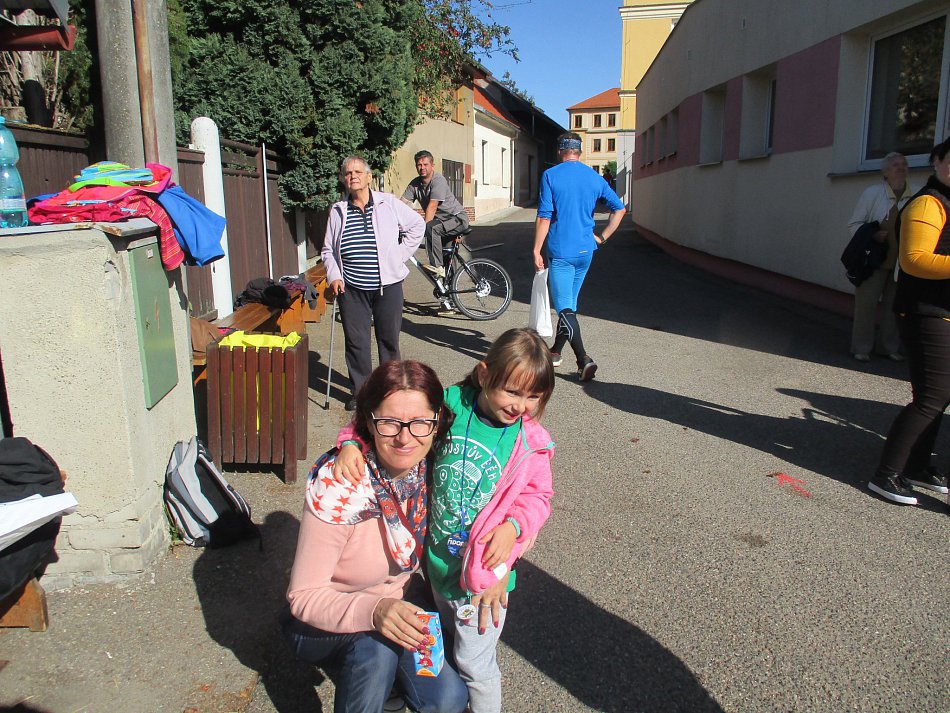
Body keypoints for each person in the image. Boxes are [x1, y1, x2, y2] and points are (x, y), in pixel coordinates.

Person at [334, 328, 556, 713]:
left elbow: (538, 496)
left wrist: (514, 528)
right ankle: (423, 693)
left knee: (475, 663)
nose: (521, 406)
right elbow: (393, 414)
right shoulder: (452, 403)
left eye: (533, 397)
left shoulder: (530, 442)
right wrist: (351, 442)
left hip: (483, 577)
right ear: (484, 374)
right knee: (448, 644)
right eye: (512, 392)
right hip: (437, 563)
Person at [283, 360, 469, 713]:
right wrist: (375, 611)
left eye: (420, 422)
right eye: (389, 423)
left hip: (398, 598)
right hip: (321, 620)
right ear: (369, 423)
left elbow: (497, 409)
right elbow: (303, 597)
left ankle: (392, 677)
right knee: (376, 652)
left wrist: (505, 555)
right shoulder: (339, 488)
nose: (404, 438)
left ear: (436, 422)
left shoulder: (430, 470)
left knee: (449, 699)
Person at [868, 137, 950, 505]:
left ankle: (917, 466)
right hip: (924, 312)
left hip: (942, 310)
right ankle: (886, 475)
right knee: (932, 397)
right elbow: (915, 259)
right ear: (936, 161)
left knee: (939, 396)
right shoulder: (928, 203)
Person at [322, 155, 425, 411]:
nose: (353, 176)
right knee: (356, 342)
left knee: (388, 340)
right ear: (343, 179)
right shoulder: (338, 210)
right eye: (348, 173)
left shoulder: (387, 203)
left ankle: (390, 391)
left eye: (358, 172)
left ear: (368, 177)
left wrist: (398, 256)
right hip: (351, 287)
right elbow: (328, 250)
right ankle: (362, 392)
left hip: (387, 286)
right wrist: (334, 275)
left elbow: (417, 225)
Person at [533, 131, 626, 381]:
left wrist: (536, 249)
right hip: (586, 251)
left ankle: (584, 359)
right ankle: (555, 352)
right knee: (570, 306)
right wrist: (602, 237)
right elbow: (619, 209)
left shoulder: (551, 175)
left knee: (564, 307)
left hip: (561, 251)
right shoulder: (594, 177)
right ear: (580, 151)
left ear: (560, 151)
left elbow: (544, 216)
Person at [846, 151, 916, 362]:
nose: (900, 167)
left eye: (903, 164)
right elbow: (854, 224)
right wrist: (873, 235)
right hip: (873, 261)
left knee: (894, 307)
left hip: (901, 262)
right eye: (895, 165)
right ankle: (861, 347)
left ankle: (888, 347)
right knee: (866, 305)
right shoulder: (873, 193)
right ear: (885, 171)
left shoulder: (916, 194)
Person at [402, 150, 470, 277]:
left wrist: (422, 229)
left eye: (425, 164)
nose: (422, 167)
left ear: (432, 166)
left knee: (431, 228)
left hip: (457, 219)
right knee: (446, 256)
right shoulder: (415, 184)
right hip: (441, 224)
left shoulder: (438, 180)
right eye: (419, 165)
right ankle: (448, 287)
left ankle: (436, 266)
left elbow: (432, 206)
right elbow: (402, 204)